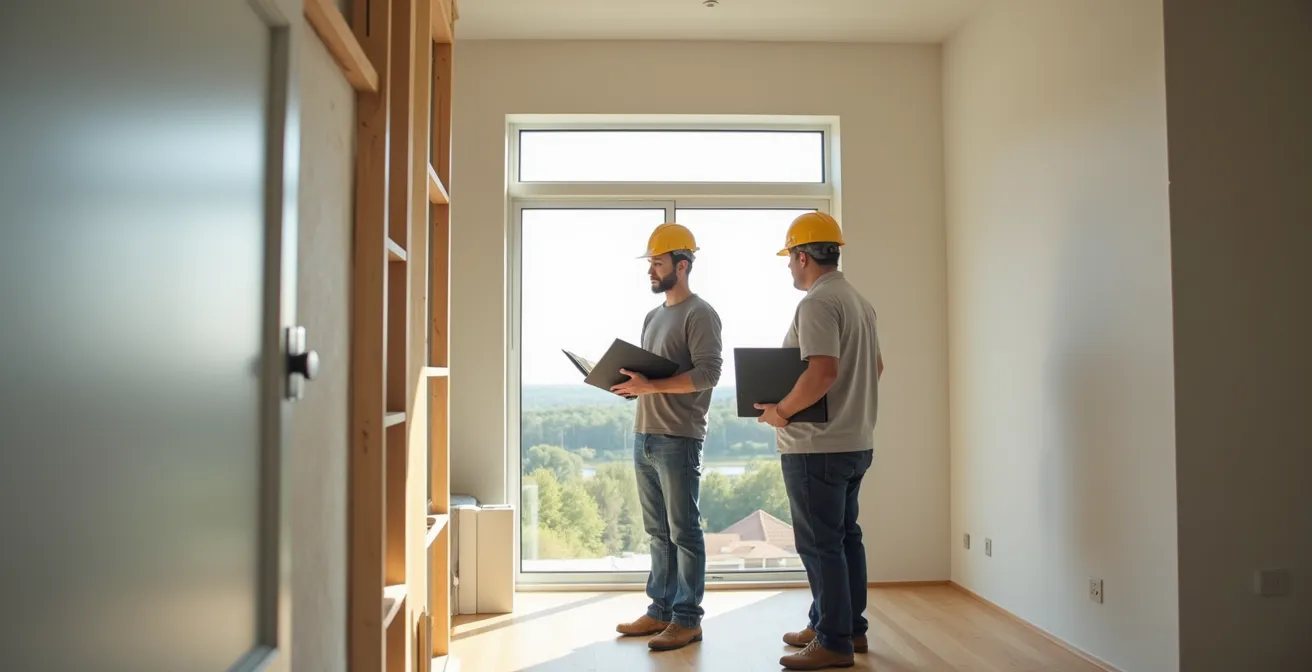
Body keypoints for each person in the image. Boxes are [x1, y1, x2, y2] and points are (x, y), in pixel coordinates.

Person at [754, 212, 884, 670]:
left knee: (821, 544)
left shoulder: (816, 304)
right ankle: (846, 627)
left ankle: (832, 641)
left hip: (817, 446)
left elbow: (822, 371)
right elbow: (877, 368)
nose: (789, 267)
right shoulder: (859, 302)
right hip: (855, 441)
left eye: (790, 259)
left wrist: (781, 412)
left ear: (802, 256)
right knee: (846, 539)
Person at [610, 222, 723, 651]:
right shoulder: (652, 316)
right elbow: (652, 376)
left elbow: (709, 373)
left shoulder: (701, 313)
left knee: (684, 531)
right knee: (657, 531)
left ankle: (687, 618)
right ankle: (659, 611)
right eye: (650, 264)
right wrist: (630, 386)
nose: (650, 271)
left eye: (657, 263)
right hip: (645, 434)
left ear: (683, 264)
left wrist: (652, 387)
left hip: (679, 437)